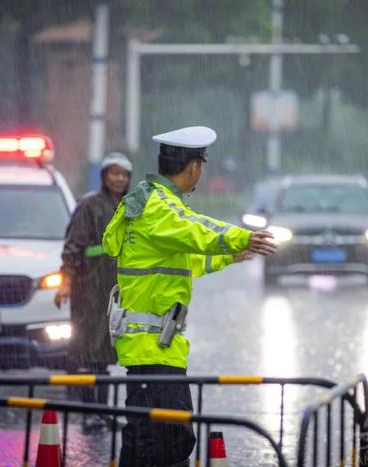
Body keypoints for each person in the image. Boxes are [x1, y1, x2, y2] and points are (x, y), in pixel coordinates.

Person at [102, 126, 277, 466]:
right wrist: (241, 238)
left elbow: (184, 261)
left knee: (144, 441)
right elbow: (196, 228)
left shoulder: (149, 203)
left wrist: (229, 255)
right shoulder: (159, 207)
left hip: (150, 350)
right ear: (195, 167)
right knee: (167, 442)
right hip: (154, 352)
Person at [55, 152, 133, 430]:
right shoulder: (89, 206)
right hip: (89, 289)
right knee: (89, 352)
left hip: (117, 291)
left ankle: (103, 411)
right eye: (114, 173)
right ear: (104, 176)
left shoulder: (130, 207)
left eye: (124, 174)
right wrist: (66, 280)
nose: (119, 179)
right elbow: (73, 247)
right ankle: (92, 412)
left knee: (105, 353)